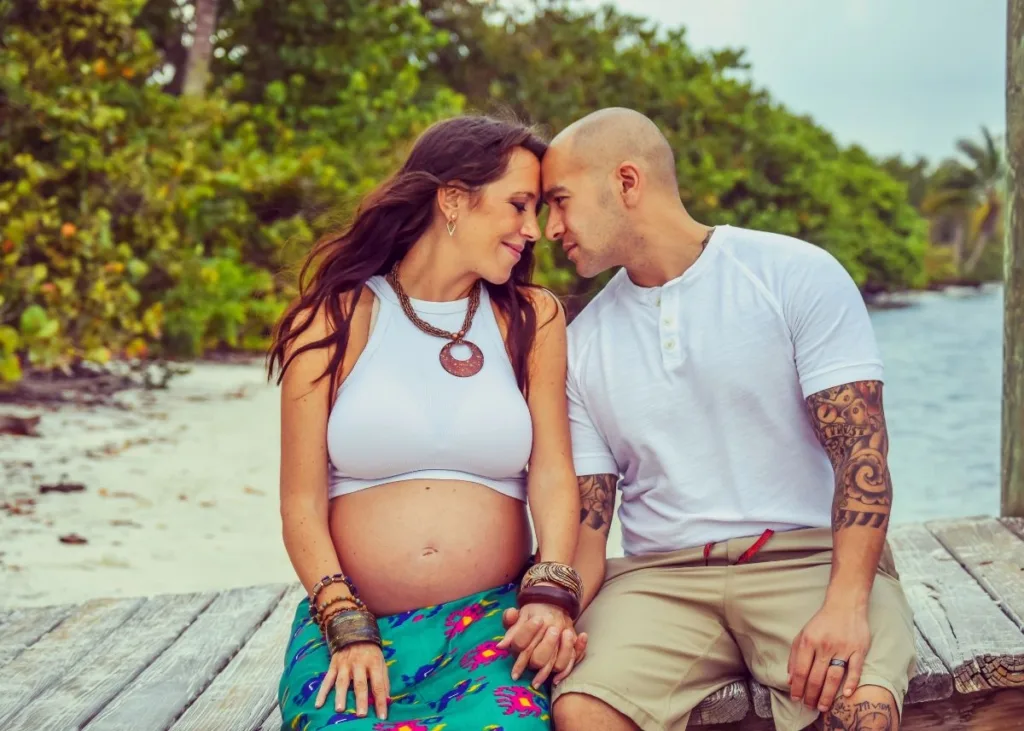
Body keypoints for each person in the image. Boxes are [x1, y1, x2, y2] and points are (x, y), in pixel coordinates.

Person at [504, 107, 917, 731]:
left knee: (862, 711)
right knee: (581, 709)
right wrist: (556, 610)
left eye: (559, 201)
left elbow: (862, 458)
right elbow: (591, 525)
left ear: (626, 181)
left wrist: (846, 603)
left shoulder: (794, 274)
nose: (549, 227)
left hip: (806, 558)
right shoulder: (581, 341)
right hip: (659, 580)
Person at [266, 114, 587, 731]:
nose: (532, 230)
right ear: (452, 199)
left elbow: (552, 470)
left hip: (493, 628)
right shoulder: (333, 318)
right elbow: (299, 503)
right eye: (519, 205)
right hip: (356, 630)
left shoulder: (530, 318)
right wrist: (346, 624)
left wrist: (550, 594)